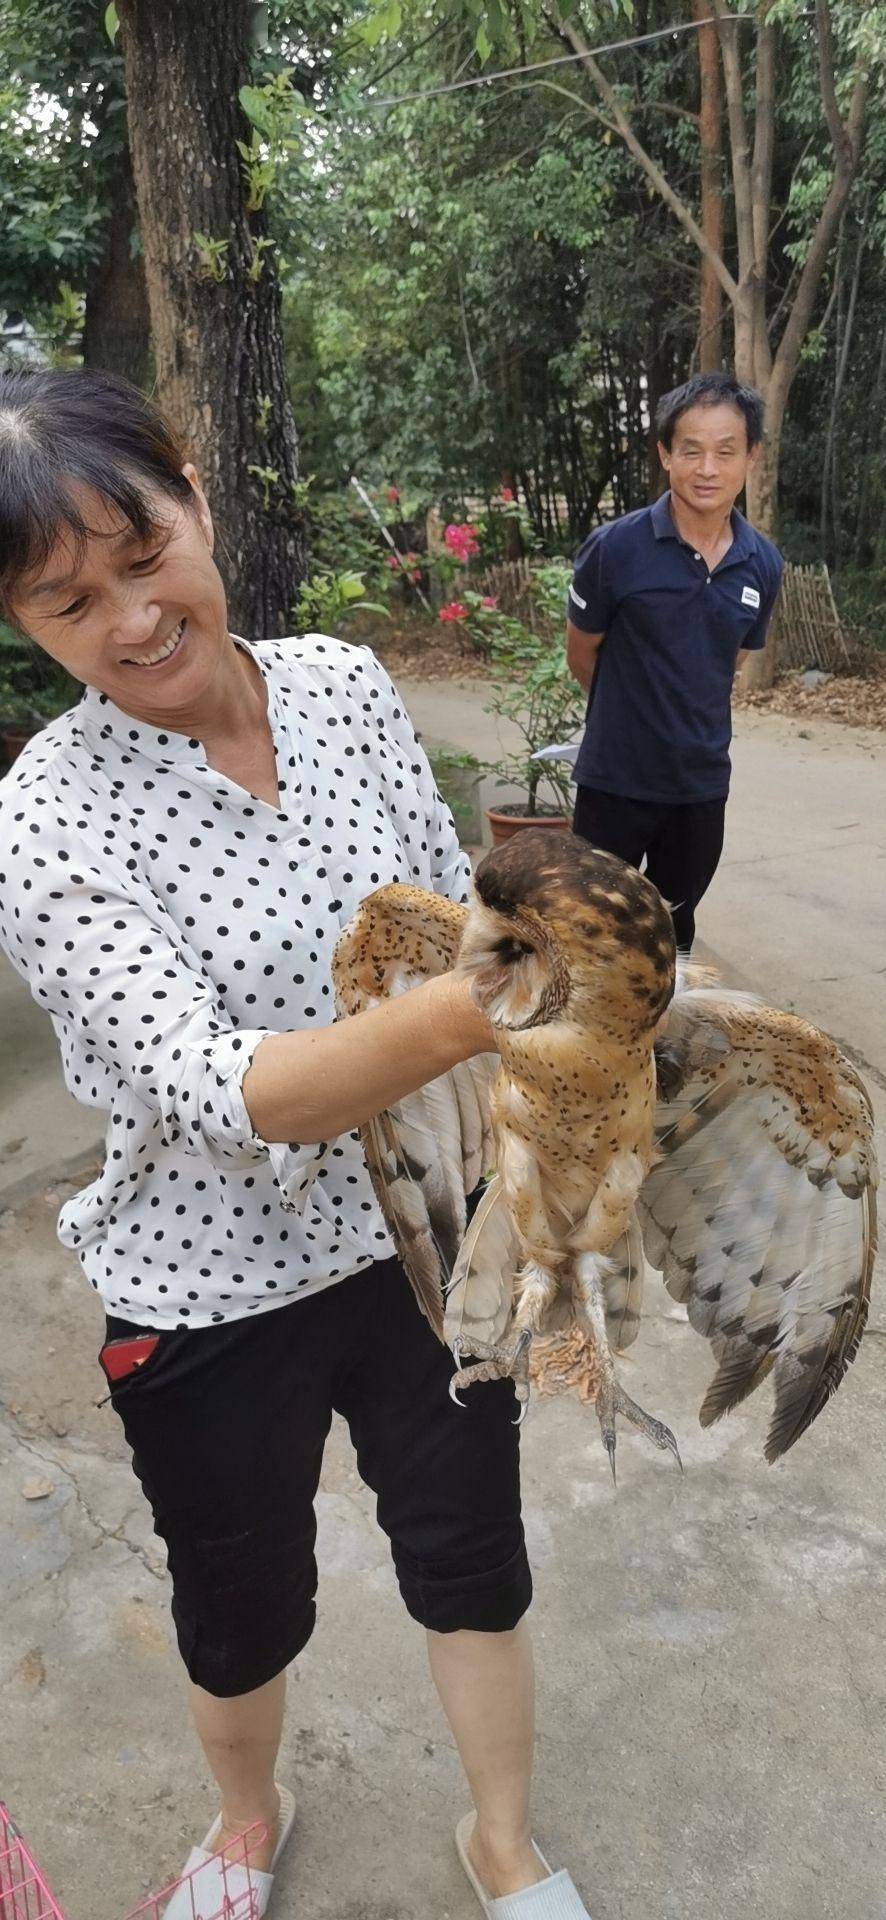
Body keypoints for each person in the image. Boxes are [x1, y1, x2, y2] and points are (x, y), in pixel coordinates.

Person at [0, 369, 591, 1919]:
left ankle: (504, 1843)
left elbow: (434, 912)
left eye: (142, 558)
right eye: (68, 605)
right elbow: (228, 1086)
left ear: (193, 493)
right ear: (25, 628)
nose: (128, 621)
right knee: (240, 1600)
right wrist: (494, 1005)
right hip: (203, 1292)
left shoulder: (339, 682)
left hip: (422, 1242)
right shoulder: (50, 815)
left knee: (470, 1554)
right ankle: (245, 1825)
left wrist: (527, 1123)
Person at [566, 371, 784, 953]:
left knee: (673, 931)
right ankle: (585, 1044)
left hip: (700, 788)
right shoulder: (615, 549)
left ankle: (661, 1041)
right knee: (593, 929)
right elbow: (582, 653)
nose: (707, 468)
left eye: (725, 451)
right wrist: (630, 715)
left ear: (751, 457)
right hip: (615, 782)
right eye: (690, 450)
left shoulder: (763, 564)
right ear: (666, 455)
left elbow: (726, 661)